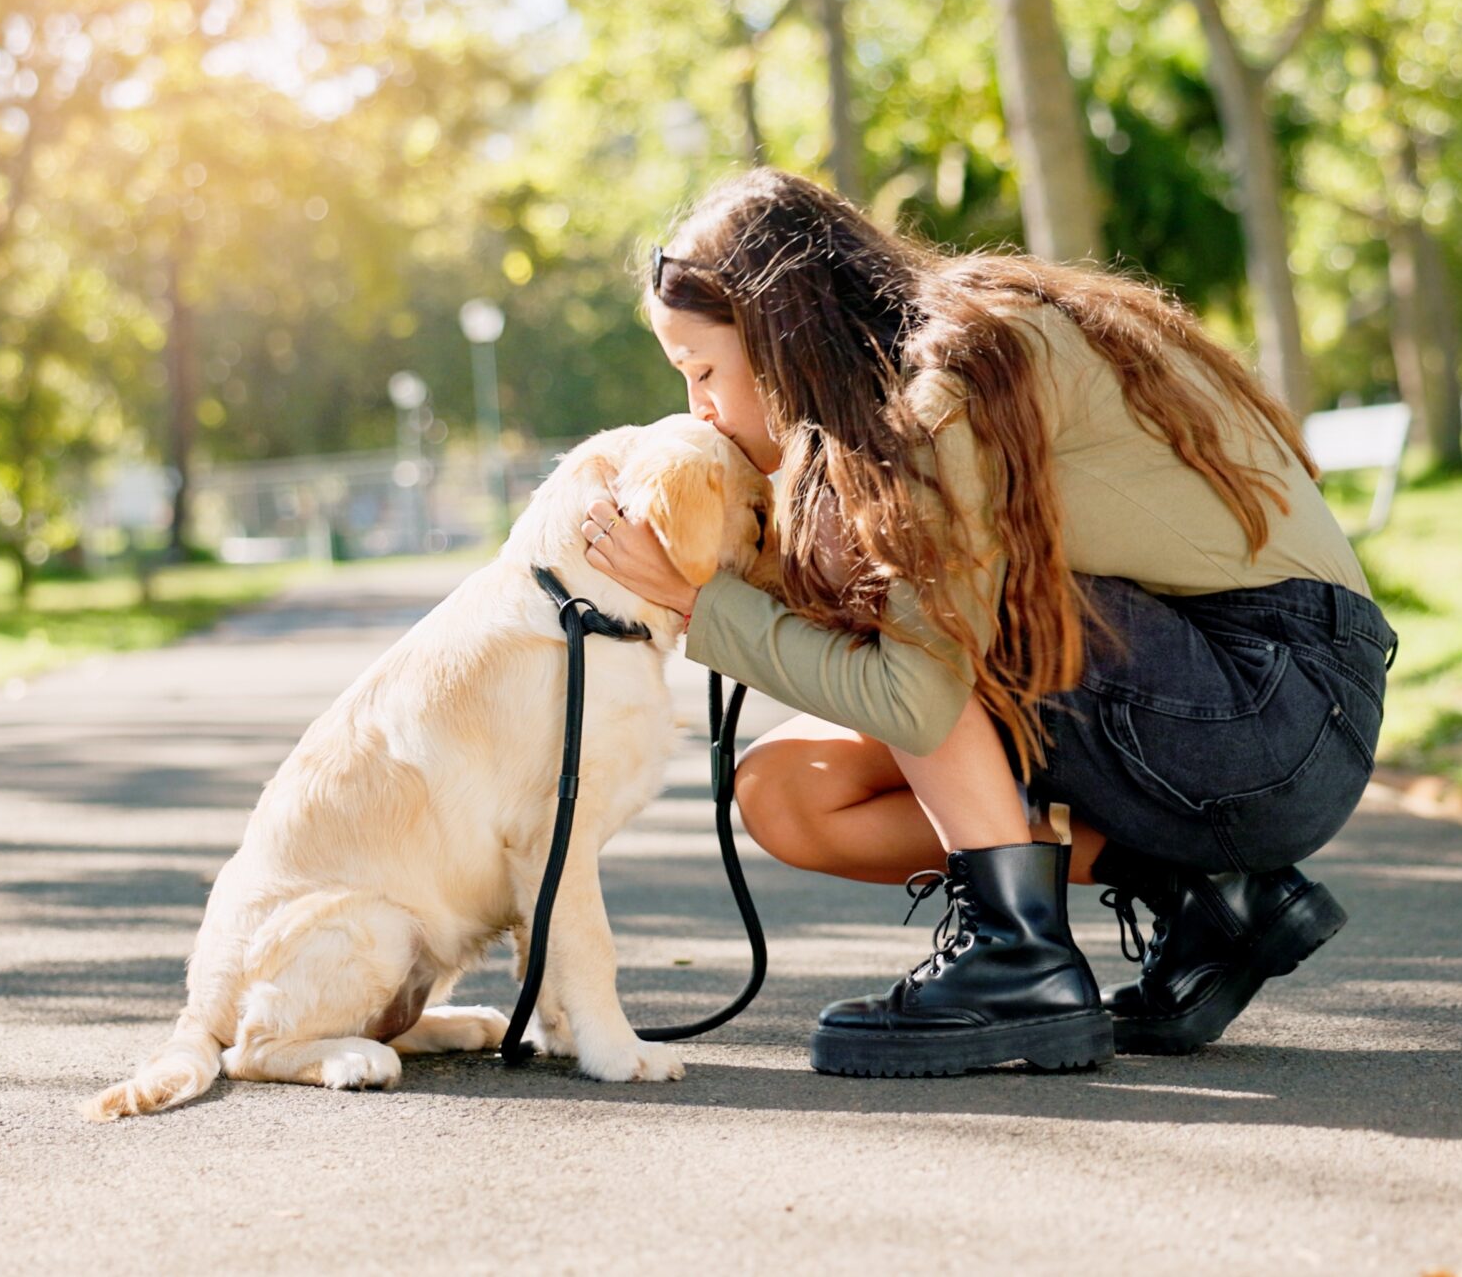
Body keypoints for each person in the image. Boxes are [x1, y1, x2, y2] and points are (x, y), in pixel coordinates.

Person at [577, 168, 1395, 1078]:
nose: (700, 408)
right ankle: (1211, 895)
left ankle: (1019, 960)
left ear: (778, 334)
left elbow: (918, 699)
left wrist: (697, 606)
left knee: (907, 600)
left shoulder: (943, 389)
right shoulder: (912, 383)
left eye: (702, 371)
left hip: (1274, 709)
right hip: (1234, 703)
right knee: (789, 791)